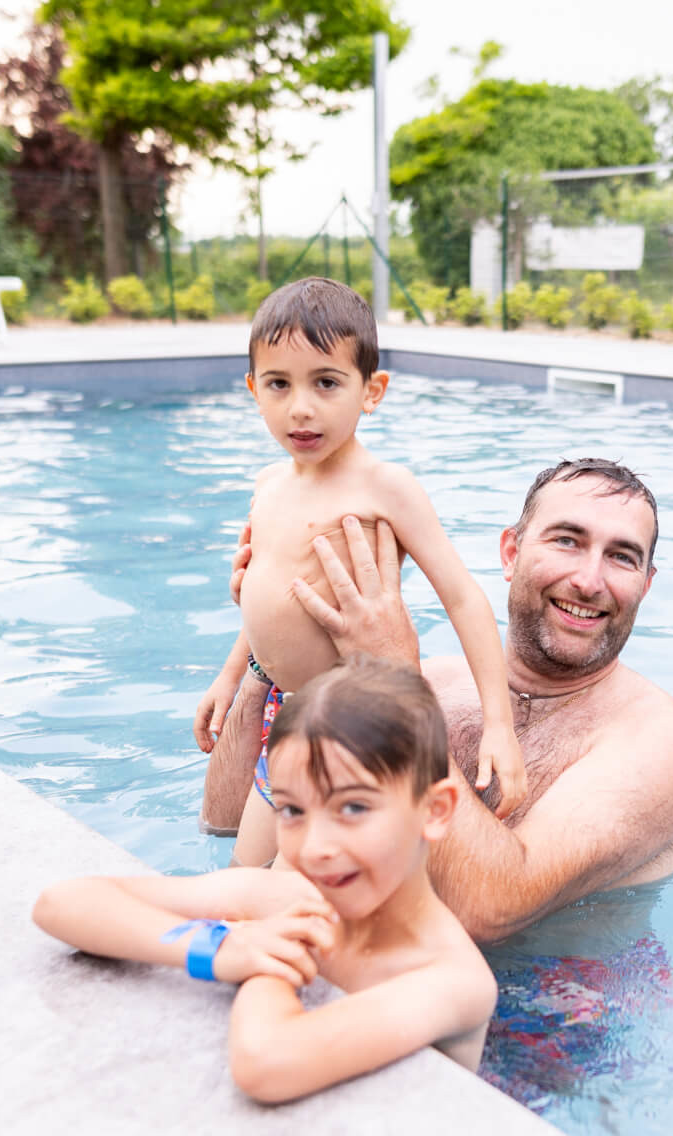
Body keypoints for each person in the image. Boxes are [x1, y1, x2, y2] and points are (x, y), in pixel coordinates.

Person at [206, 458, 673, 945]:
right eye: (566, 541)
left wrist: (398, 685)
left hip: (550, 1011)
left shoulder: (657, 741)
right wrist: (271, 654)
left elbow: (490, 909)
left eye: (621, 556)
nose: (590, 581)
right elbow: (223, 826)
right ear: (510, 553)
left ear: (646, 583)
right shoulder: (433, 683)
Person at [35, 657, 499, 1104]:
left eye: (353, 808)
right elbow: (64, 903)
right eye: (293, 810)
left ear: (435, 811)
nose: (316, 847)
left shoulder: (452, 979)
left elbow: (265, 1062)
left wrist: (269, 965)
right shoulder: (283, 899)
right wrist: (220, 948)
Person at [193, 277, 526, 869]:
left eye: (326, 382)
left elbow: (465, 599)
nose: (301, 406)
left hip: (350, 726)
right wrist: (227, 676)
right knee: (242, 875)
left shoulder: (385, 487)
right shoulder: (269, 485)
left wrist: (499, 726)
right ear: (253, 390)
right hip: (285, 716)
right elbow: (270, 594)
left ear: (371, 391)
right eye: (279, 384)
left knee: (300, 891)